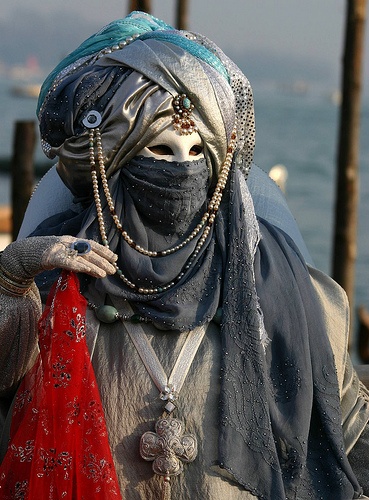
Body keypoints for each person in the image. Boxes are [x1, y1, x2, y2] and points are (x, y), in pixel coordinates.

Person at [0, 11, 368, 500]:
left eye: (197, 152)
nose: (181, 167)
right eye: (160, 149)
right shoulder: (56, 276)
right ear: (117, 160)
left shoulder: (290, 295)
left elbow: (347, 428)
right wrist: (11, 282)